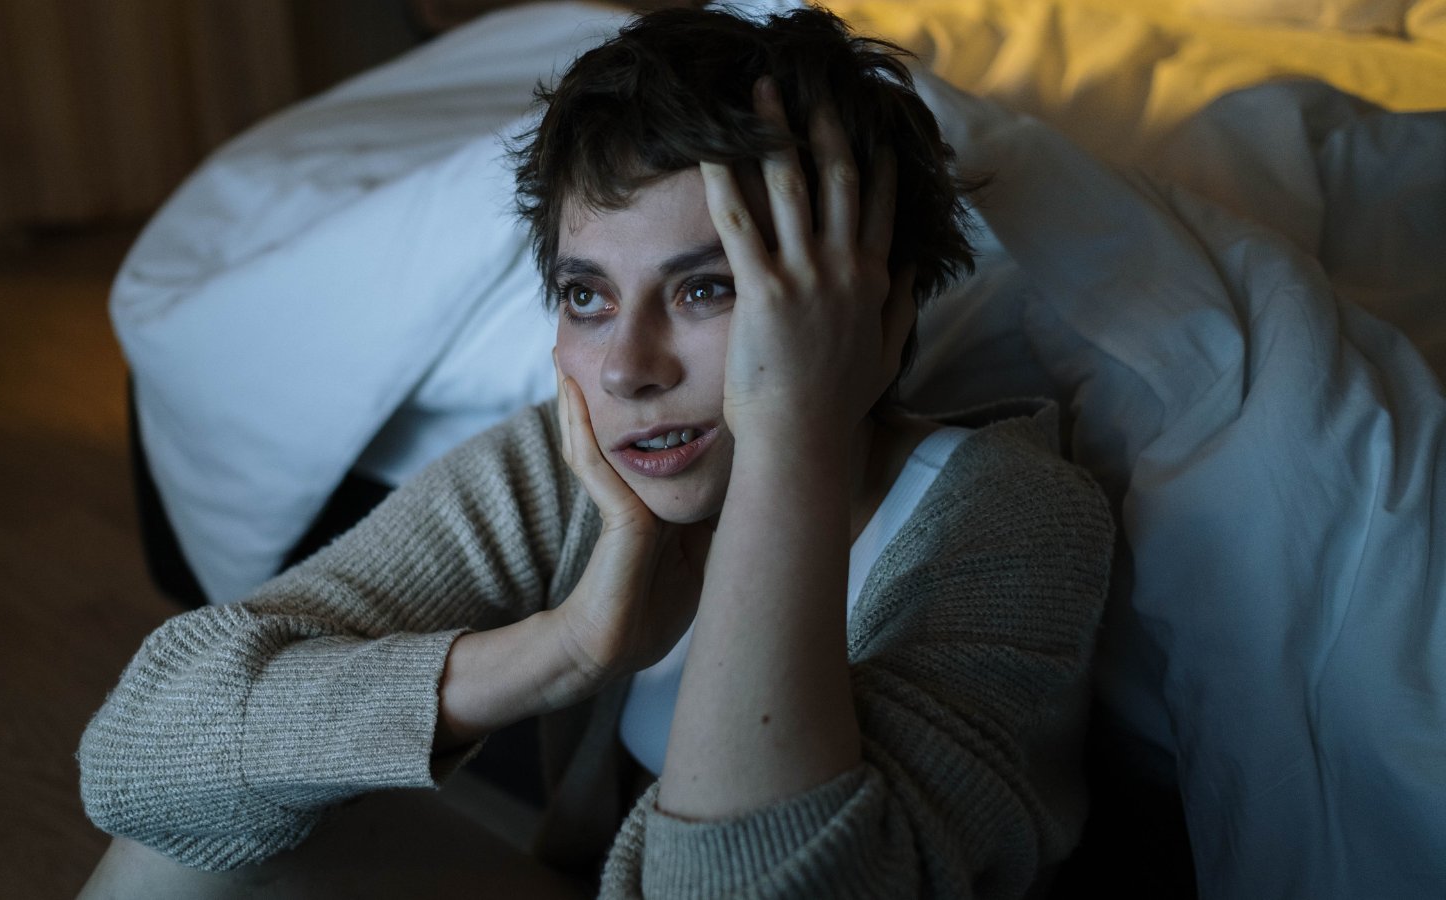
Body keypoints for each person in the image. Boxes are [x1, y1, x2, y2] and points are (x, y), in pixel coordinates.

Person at [76, 7, 1114, 899]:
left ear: (868, 302)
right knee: (186, 850)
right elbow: (138, 757)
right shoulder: (583, 468)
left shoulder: (1012, 517)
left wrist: (788, 434)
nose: (625, 368)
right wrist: (567, 649)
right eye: (587, 296)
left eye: (706, 288)